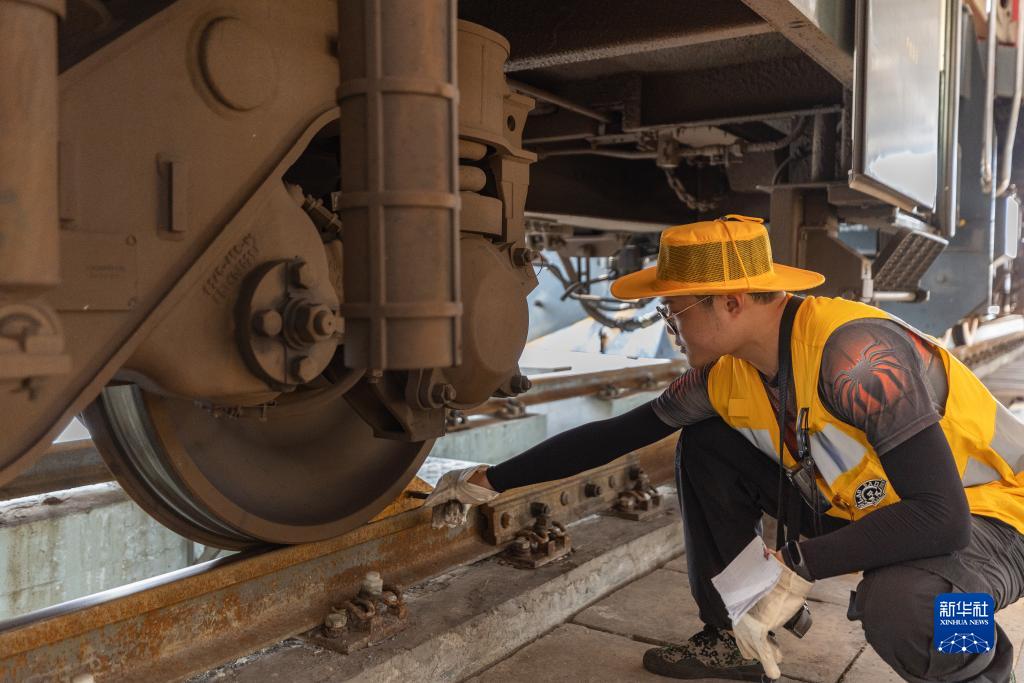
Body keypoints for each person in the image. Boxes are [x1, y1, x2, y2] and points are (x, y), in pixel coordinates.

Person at [425, 215, 1024, 682]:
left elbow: (942, 519)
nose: (671, 325)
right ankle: (727, 634)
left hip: (989, 518)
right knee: (706, 444)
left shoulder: (856, 358)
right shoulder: (728, 375)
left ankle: (979, 668)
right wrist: (490, 480)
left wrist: (801, 565)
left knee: (909, 609)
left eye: (674, 309)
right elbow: (618, 435)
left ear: (730, 302)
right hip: (874, 507)